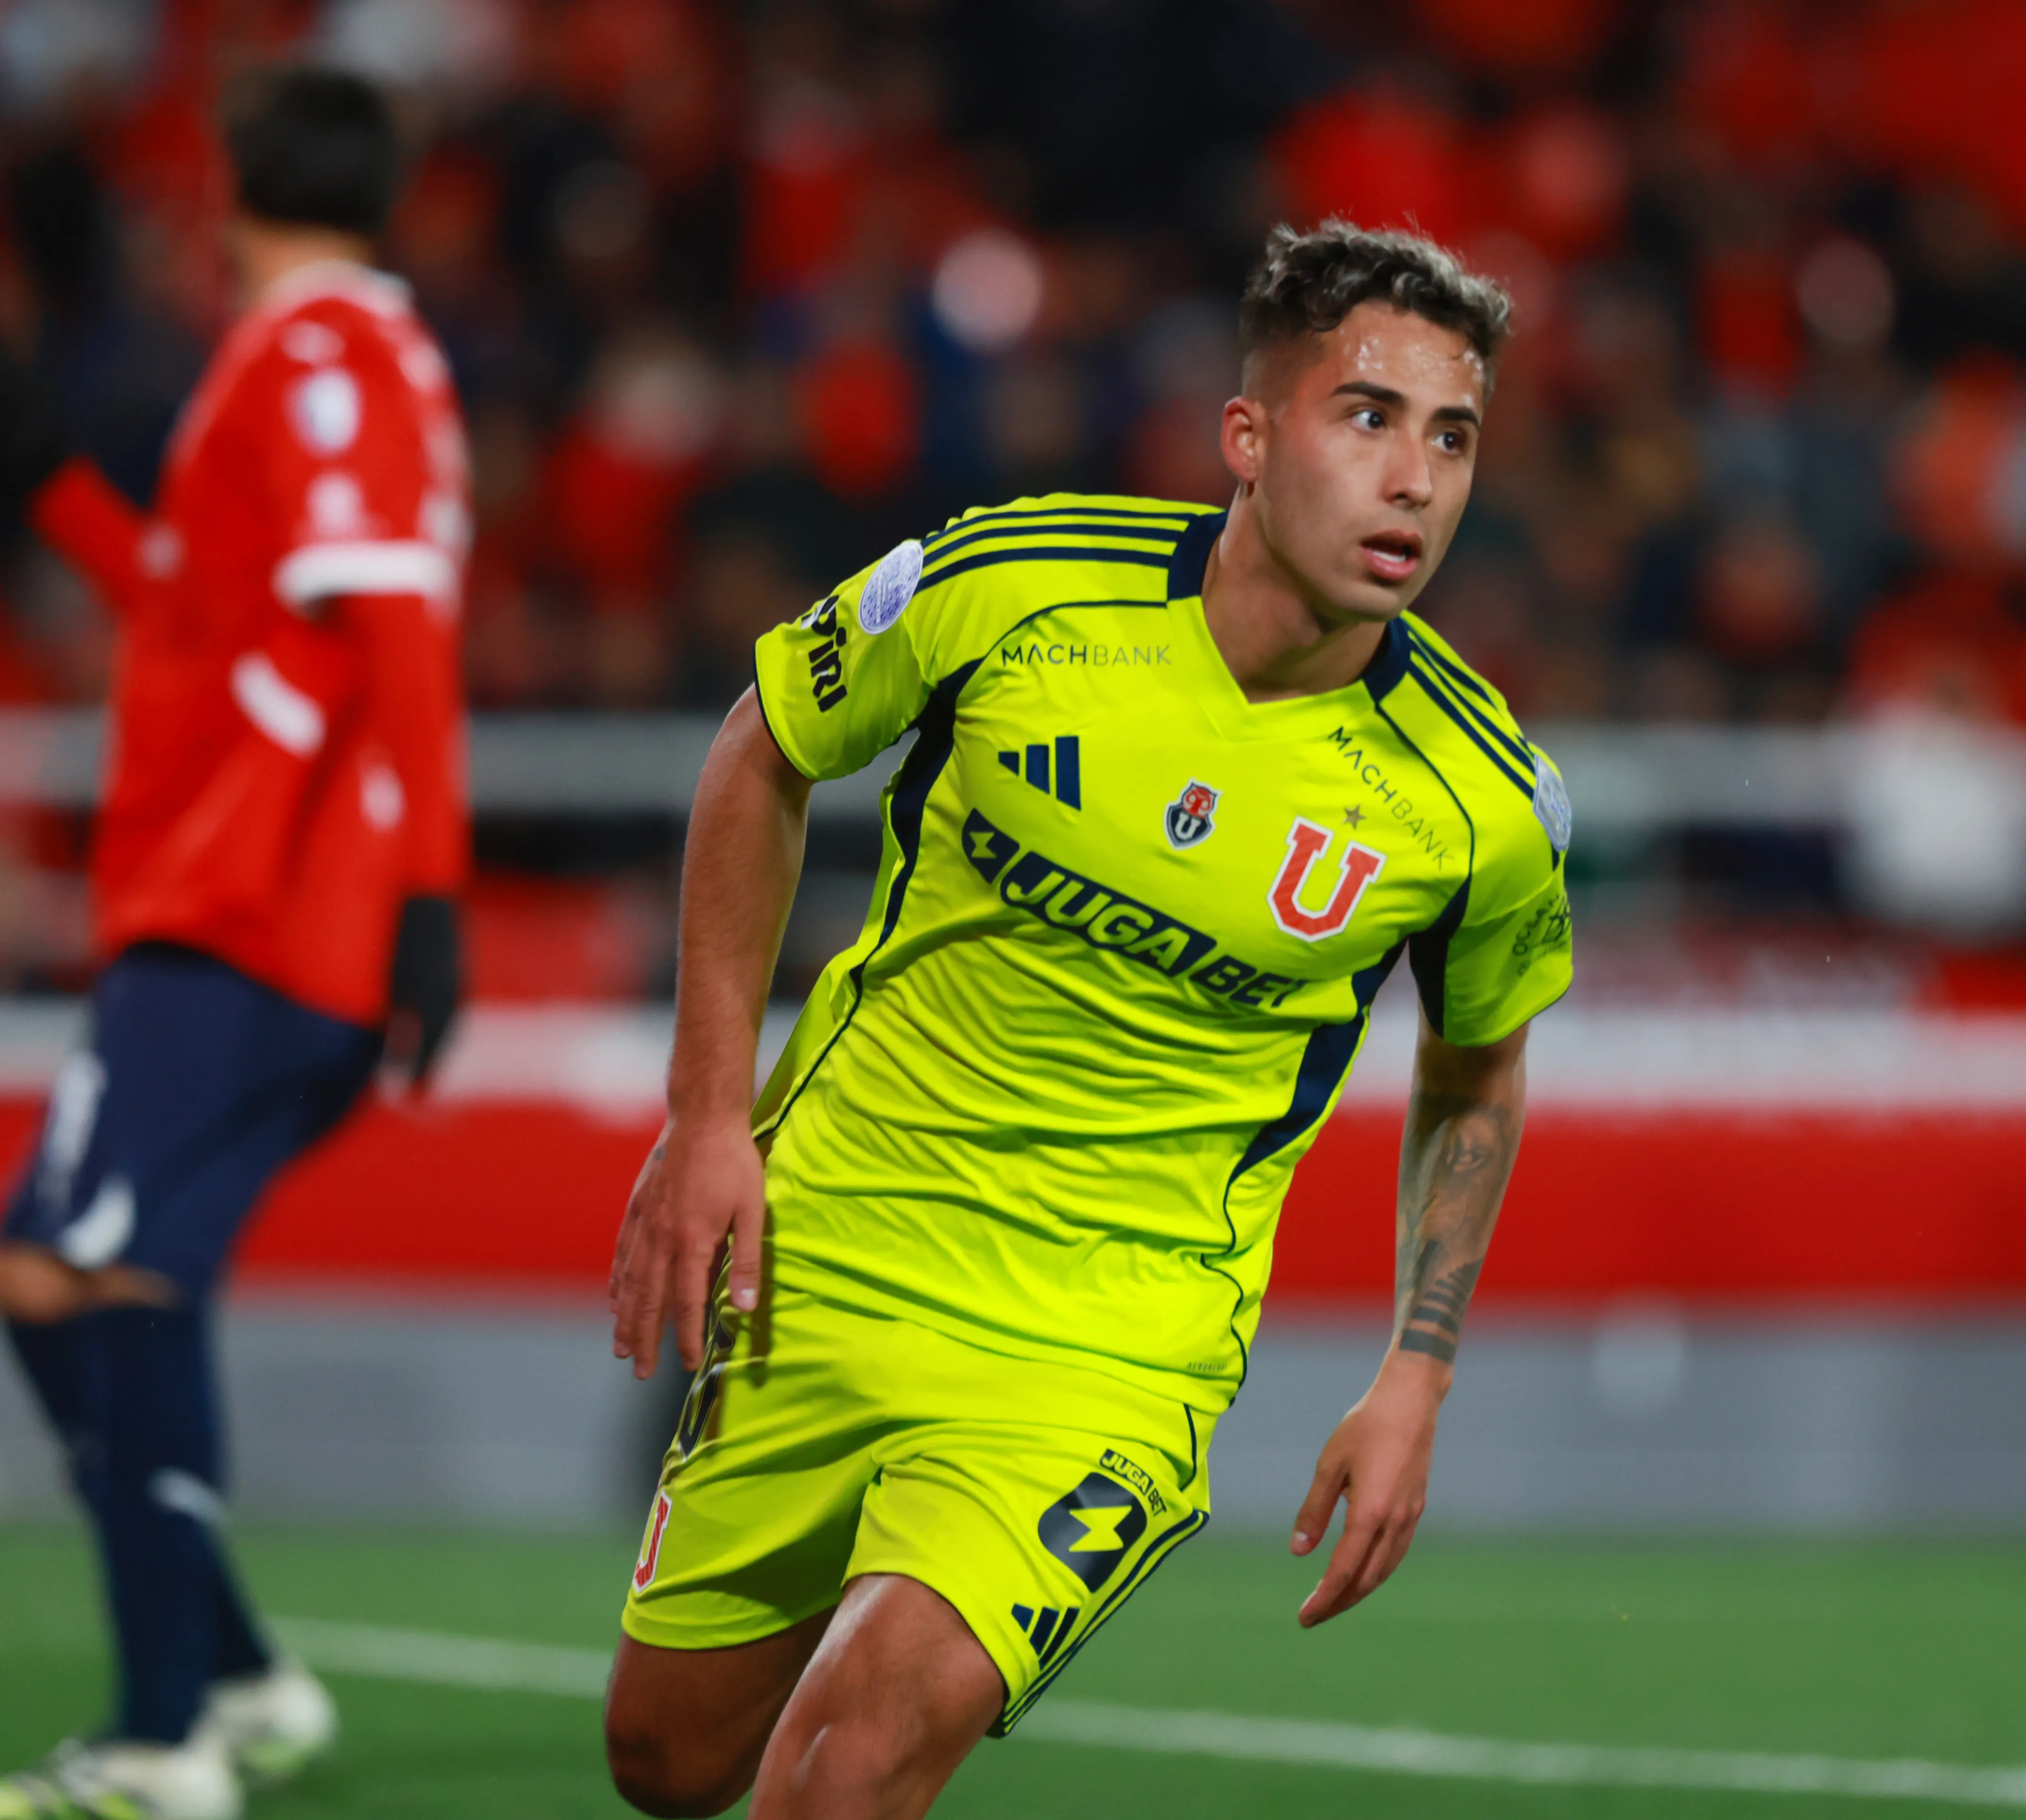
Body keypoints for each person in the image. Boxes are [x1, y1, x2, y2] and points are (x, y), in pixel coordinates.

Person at [602, 220, 1572, 1819]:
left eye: (1453, 437)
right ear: (1248, 439)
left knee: (842, 1774)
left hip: (1109, 1345)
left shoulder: (1479, 796)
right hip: (832, 1239)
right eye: (1369, 415)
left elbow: (1478, 1064)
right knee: (666, 1759)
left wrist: (1419, 1367)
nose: (1416, 479)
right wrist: (708, 1117)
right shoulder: (1019, 583)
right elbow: (762, 745)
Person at [0, 68, 469, 1820]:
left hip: (254, 908)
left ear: (228, 185)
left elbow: (396, 628)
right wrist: (50, 478)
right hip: (265, 903)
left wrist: (432, 889)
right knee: (96, 1271)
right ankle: (233, 1681)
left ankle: (161, 1729)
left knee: (68, 1266)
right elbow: (197, 617)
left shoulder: (320, 359)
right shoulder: (326, 359)